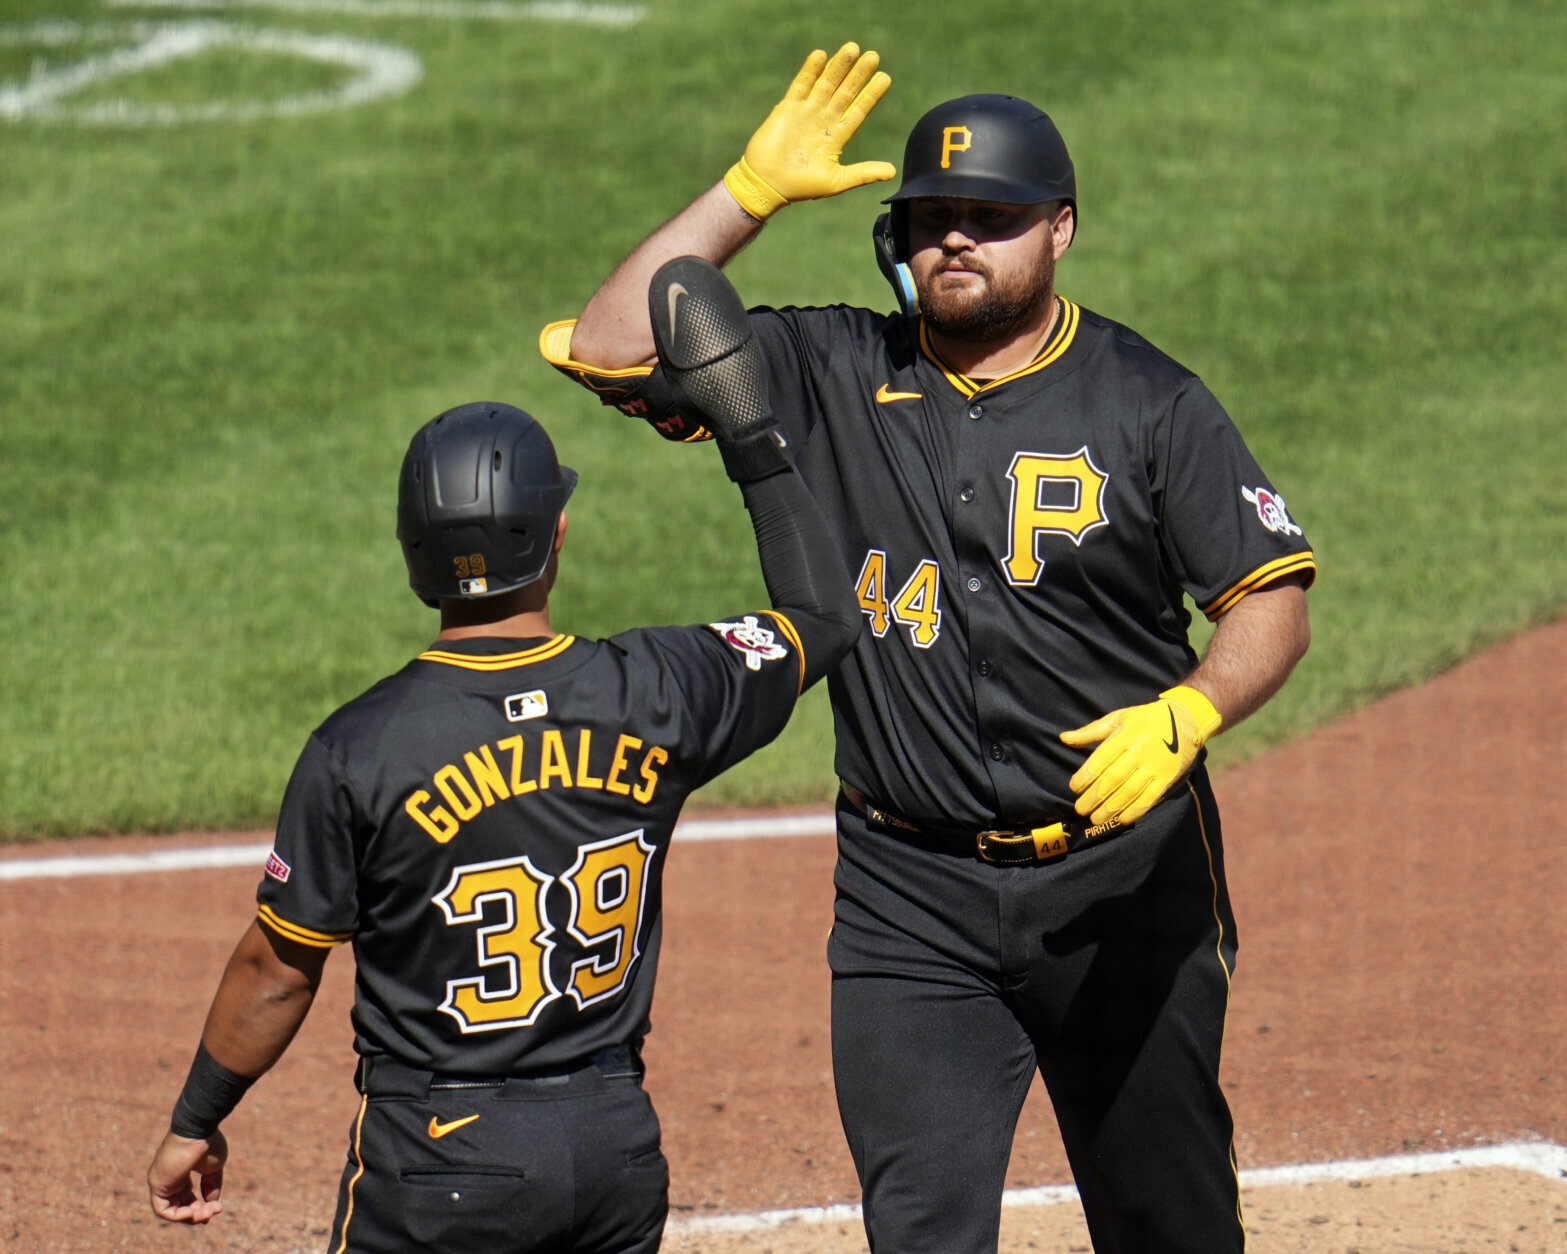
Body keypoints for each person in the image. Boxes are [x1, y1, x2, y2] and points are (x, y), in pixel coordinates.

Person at [542, 43, 1315, 1254]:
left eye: (990, 218)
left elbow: (1270, 602)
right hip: (911, 901)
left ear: (1058, 230)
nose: (955, 240)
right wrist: (743, 195)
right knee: (921, 1232)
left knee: (1167, 1218)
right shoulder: (828, 370)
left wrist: (1191, 713)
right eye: (931, 218)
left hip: (1123, 883)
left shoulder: (1148, 401)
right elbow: (609, 348)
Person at [146, 259, 860, 1253]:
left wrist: (197, 1116)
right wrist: (745, 430)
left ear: (410, 552)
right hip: (614, 1145)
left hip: (442, 1160)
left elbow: (277, 970)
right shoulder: (656, 688)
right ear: (556, 534)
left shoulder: (359, 748)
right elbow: (823, 616)